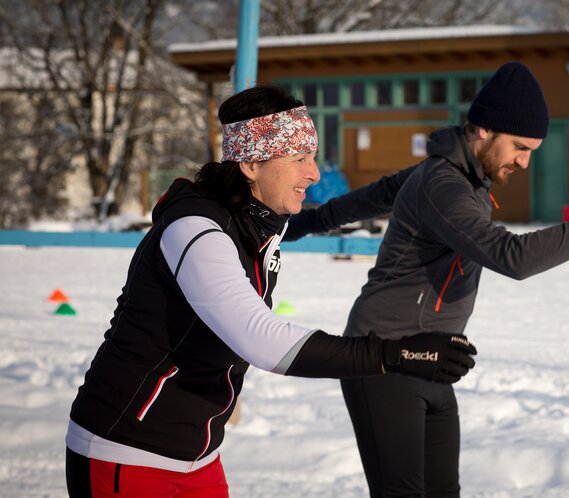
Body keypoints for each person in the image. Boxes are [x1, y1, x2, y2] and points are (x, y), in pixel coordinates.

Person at [65, 85, 477, 498]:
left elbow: (349, 205)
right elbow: (261, 340)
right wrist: (395, 354)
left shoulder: (254, 224)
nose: (313, 174)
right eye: (299, 159)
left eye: (312, 157)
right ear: (250, 164)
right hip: (125, 452)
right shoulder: (197, 231)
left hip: (197, 455)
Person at [339, 61, 569, 497]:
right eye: (519, 146)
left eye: (532, 150)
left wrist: (306, 221)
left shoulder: (463, 179)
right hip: (384, 359)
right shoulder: (445, 184)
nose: (525, 162)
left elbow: (374, 195)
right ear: (482, 131)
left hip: (432, 359)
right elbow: (511, 257)